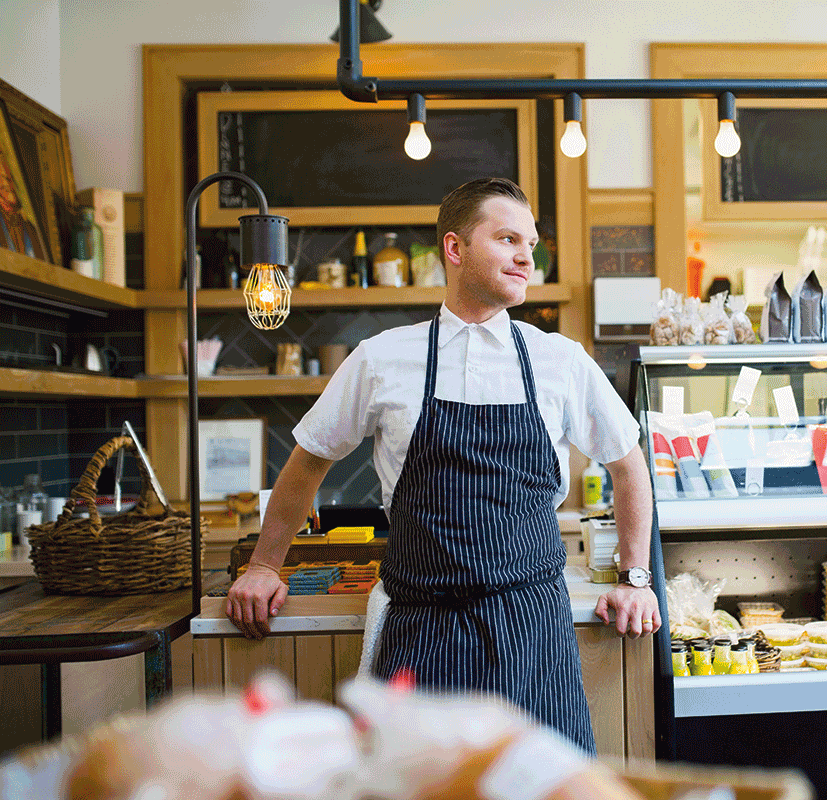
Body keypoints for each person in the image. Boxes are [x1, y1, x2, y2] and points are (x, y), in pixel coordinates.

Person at [225, 177, 660, 753]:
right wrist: (263, 565)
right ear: (454, 250)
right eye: (507, 239)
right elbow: (308, 461)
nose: (527, 256)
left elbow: (629, 465)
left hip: (530, 629)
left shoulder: (560, 360)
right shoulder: (384, 356)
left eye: (530, 242)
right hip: (421, 626)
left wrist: (635, 578)